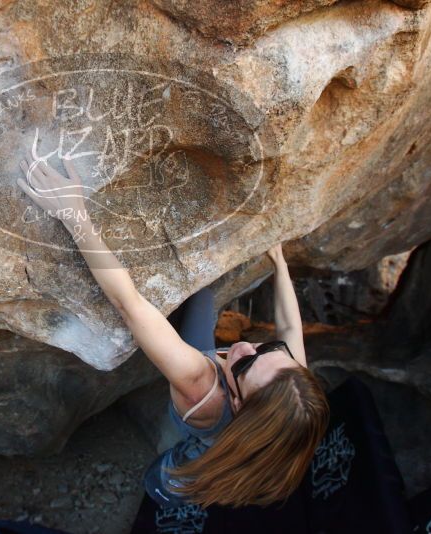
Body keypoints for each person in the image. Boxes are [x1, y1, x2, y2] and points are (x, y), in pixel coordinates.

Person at [17, 147, 330, 510]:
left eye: (245, 366)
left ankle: (166, 489)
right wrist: (278, 259)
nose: (247, 347)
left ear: (240, 403)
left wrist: (73, 214)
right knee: (205, 292)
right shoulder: (286, 387)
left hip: (201, 427)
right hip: (245, 424)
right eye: (270, 350)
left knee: (173, 478)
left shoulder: (198, 384)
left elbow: (129, 304)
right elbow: (291, 326)